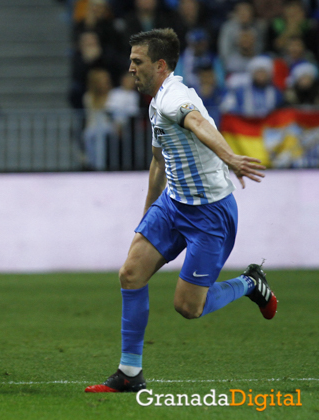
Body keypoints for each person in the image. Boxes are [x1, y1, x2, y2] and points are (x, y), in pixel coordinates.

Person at [85, 28, 277, 393]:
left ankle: (251, 283)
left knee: (188, 307)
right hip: (173, 204)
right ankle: (130, 373)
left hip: (210, 214)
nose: (130, 69)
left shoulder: (175, 97)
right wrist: (147, 214)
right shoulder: (156, 101)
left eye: (137, 62)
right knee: (131, 273)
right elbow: (159, 160)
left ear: (159, 65)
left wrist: (231, 157)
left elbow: (199, 123)